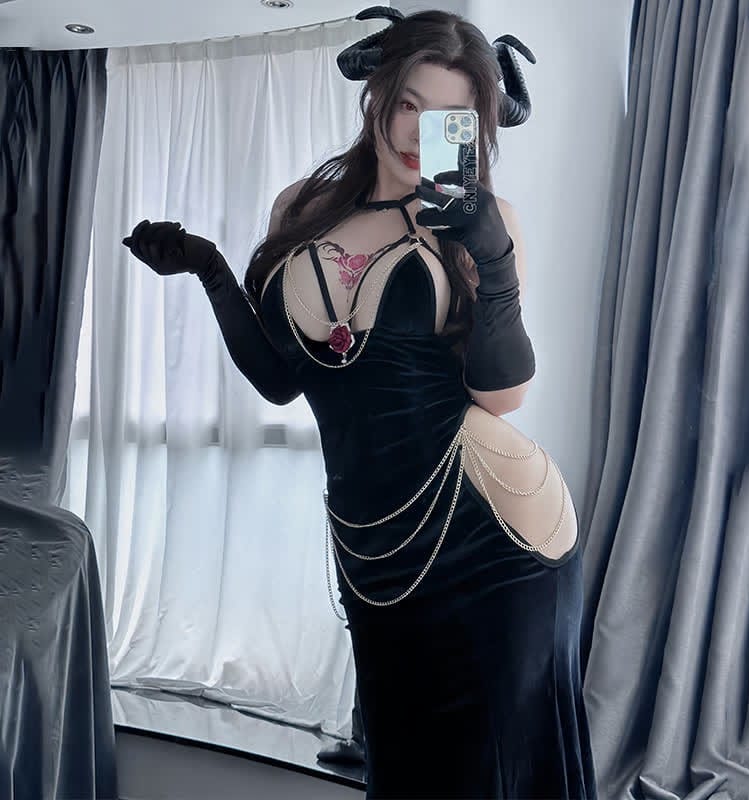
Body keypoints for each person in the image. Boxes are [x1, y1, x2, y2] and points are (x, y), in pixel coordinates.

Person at [122, 6, 598, 798]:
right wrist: (210, 270)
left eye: (449, 115)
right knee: (403, 763)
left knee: (495, 771)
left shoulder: (484, 221)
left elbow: (502, 393)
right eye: (409, 103)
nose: (419, 131)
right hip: (377, 540)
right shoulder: (300, 208)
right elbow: (286, 379)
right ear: (376, 93)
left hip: (494, 530)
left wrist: (493, 259)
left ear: (473, 127)